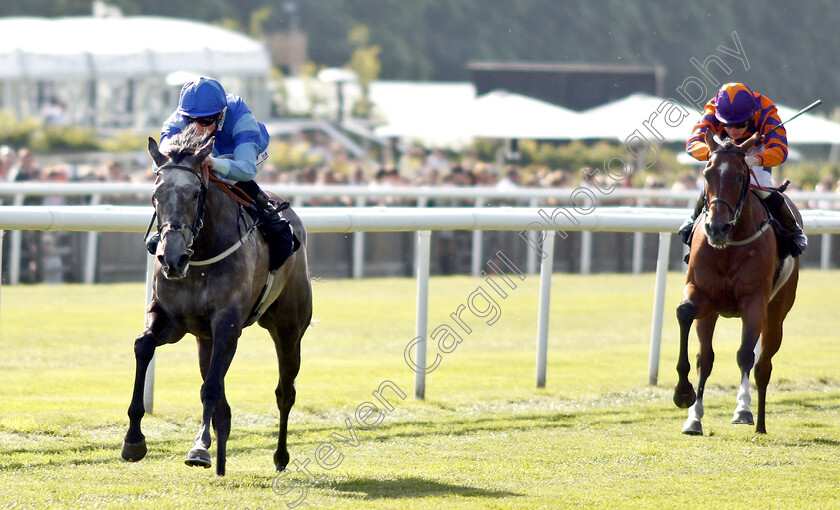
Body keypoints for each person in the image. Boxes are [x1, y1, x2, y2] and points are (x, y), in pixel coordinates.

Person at [146, 76, 296, 270]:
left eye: (206, 120)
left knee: (232, 179)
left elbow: (247, 169)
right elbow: (159, 166)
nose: (198, 127)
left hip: (241, 157)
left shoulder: (241, 117)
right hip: (201, 158)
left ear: (221, 114)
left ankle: (270, 216)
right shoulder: (176, 122)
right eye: (191, 120)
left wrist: (214, 163)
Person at [679, 82, 807, 257]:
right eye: (727, 125)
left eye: (739, 125)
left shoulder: (766, 109)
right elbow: (693, 143)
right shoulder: (712, 109)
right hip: (722, 149)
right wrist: (713, 154)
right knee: (717, 184)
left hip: (756, 149)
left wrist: (755, 159)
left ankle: (793, 230)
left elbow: (780, 149)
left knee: (761, 185)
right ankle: (693, 221)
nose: (733, 130)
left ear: (752, 115)